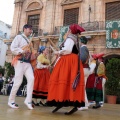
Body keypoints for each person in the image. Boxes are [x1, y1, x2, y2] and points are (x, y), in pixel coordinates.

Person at [47, 24, 85, 115]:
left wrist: (57, 52)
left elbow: (67, 50)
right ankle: (61, 101)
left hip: (68, 61)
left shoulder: (70, 38)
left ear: (71, 31)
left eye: (68, 29)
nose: (67, 31)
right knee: (68, 82)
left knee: (62, 80)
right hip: (72, 61)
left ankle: (64, 102)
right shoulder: (75, 38)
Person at [8, 24, 35, 110]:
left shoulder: (29, 40)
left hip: (27, 63)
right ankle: (11, 100)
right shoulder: (19, 37)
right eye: (30, 29)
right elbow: (13, 48)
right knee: (18, 81)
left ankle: (28, 100)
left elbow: (29, 52)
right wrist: (22, 51)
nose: (31, 31)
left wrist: (33, 55)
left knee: (31, 78)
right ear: (25, 29)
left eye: (31, 30)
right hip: (19, 61)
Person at [78, 36, 90, 111]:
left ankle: (84, 104)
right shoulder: (84, 48)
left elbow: (82, 59)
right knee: (83, 87)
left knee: (82, 87)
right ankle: (85, 103)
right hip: (85, 69)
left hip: (83, 69)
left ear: (81, 41)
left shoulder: (83, 48)